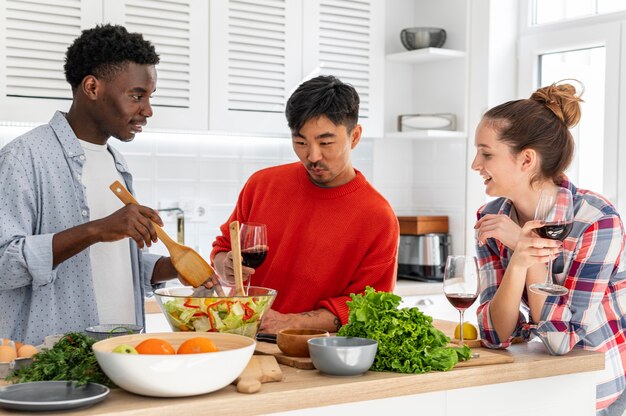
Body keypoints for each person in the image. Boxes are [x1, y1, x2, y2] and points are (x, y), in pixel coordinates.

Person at [0, 24, 182, 345]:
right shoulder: (24, 157)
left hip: (119, 356)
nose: (148, 110)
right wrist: (95, 229)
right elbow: (4, 266)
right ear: (92, 87)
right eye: (136, 96)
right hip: (53, 367)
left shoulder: (116, 163)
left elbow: (103, 266)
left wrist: (174, 267)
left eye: (150, 97)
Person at [471, 81, 626, 415]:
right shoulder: (491, 218)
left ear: (526, 159)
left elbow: (561, 341)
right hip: (541, 387)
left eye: (486, 154)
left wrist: (527, 249)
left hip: (598, 387)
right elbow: (496, 334)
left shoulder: (595, 221)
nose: (475, 165)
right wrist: (518, 260)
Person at [211, 75, 399, 334]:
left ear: (354, 137)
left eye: (325, 143)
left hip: (313, 351)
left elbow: (368, 306)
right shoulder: (261, 185)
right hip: (243, 340)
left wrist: (292, 323)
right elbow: (223, 247)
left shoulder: (378, 217)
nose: (312, 156)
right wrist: (226, 265)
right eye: (300, 142)